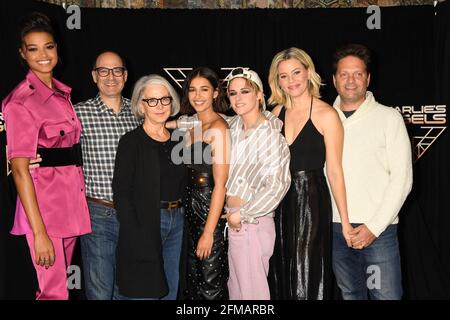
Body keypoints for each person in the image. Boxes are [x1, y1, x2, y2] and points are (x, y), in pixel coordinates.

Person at [2, 12, 91, 300]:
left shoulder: (62, 94)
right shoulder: (21, 102)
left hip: (69, 205)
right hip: (44, 211)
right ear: (22, 53)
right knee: (52, 293)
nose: (43, 55)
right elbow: (19, 170)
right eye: (33, 48)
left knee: (60, 290)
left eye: (49, 46)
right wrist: (39, 232)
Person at [267, 47, 352, 300]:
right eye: (284, 76)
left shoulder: (327, 114)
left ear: (308, 73)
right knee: (281, 269)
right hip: (279, 200)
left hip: (312, 201)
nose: (291, 81)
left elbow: (335, 171)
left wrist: (345, 222)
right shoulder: (275, 114)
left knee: (308, 272)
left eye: (296, 73)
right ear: (277, 80)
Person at [331, 44, 412, 300]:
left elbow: (402, 179)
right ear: (334, 79)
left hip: (379, 229)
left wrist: (374, 227)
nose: (351, 80)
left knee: (386, 296)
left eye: (357, 73)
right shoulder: (323, 118)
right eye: (344, 74)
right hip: (335, 228)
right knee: (350, 295)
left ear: (368, 78)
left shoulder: (389, 118)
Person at [112, 74, 185, 299]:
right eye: (152, 100)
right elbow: (121, 193)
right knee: (145, 289)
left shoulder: (179, 139)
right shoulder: (131, 142)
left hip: (178, 222)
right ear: (141, 106)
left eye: (164, 99)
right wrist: (135, 232)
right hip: (146, 222)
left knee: (171, 288)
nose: (159, 105)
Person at [74, 51, 140, 300]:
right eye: (104, 70)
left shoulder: (140, 113)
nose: (110, 76)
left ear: (125, 75)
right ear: (94, 76)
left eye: (117, 71)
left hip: (134, 215)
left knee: (127, 290)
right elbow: (50, 143)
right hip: (98, 213)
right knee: (100, 292)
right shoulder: (78, 114)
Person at [225, 68, 291, 300]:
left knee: (253, 296)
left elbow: (277, 185)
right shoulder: (232, 127)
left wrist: (242, 214)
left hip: (252, 221)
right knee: (238, 292)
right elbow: (197, 121)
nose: (238, 98)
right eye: (233, 93)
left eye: (245, 91)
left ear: (259, 95)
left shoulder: (271, 135)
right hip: (235, 218)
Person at [180, 67, 230, 300]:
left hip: (208, 208)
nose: (197, 96)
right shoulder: (192, 126)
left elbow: (220, 185)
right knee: (193, 282)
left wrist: (209, 232)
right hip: (189, 210)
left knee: (210, 284)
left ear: (215, 93)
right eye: (192, 90)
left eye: (204, 89)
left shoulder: (219, 128)